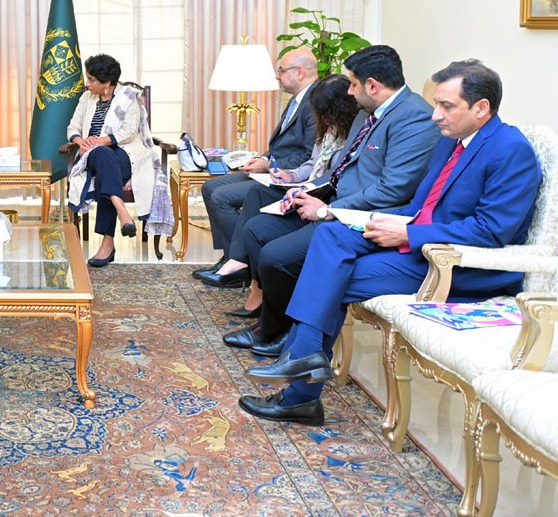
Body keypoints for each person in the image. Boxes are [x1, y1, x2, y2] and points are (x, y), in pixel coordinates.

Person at [239, 59, 542, 425]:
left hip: (455, 265)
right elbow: (420, 207)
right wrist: (371, 219)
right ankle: (302, 365)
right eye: (436, 104)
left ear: (481, 108)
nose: (435, 115)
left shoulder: (510, 149)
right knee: (331, 233)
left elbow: (491, 230)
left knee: (331, 275)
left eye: (446, 106)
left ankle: (300, 380)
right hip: (416, 246)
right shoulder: (451, 142)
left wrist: (409, 234)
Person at [236, 45, 440, 355]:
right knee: (257, 230)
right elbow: (340, 167)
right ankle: (276, 325)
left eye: (354, 84)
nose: (350, 91)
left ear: (373, 85)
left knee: (277, 256)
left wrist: (329, 210)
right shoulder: (368, 113)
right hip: (333, 203)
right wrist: (308, 189)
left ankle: (282, 333)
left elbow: (393, 189)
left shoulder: (414, 119)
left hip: (363, 217)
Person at [206, 75, 358, 341]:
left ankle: (259, 294)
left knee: (264, 235)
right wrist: (291, 175)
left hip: (323, 199)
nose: (322, 118)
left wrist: (305, 188)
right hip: (306, 188)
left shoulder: (353, 135)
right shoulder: (328, 131)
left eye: (325, 113)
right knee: (255, 204)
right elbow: (312, 164)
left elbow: (334, 176)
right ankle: (249, 276)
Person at [195, 46, 320, 281]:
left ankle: (242, 261)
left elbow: (307, 155)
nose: (278, 76)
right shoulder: (296, 100)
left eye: (281, 70)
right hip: (271, 169)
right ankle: (231, 256)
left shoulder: (315, 103)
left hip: (287, 177)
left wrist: (269, 165)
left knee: (221, 197)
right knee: (210, 187)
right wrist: (263, 159)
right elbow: (282, 144)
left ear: (300, 72)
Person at [65, 54, 157, 267]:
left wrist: (98, 142)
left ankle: (108, 244)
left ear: (107, 83)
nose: (87, 84)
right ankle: (121, 210)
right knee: (101, 154)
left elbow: (129, 132)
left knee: (104, 169)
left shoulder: (128, 98)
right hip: (93, 155)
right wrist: (82, 142)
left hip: (124, 153)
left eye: (91, 80)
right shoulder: (86, 98)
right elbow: (73, 128)